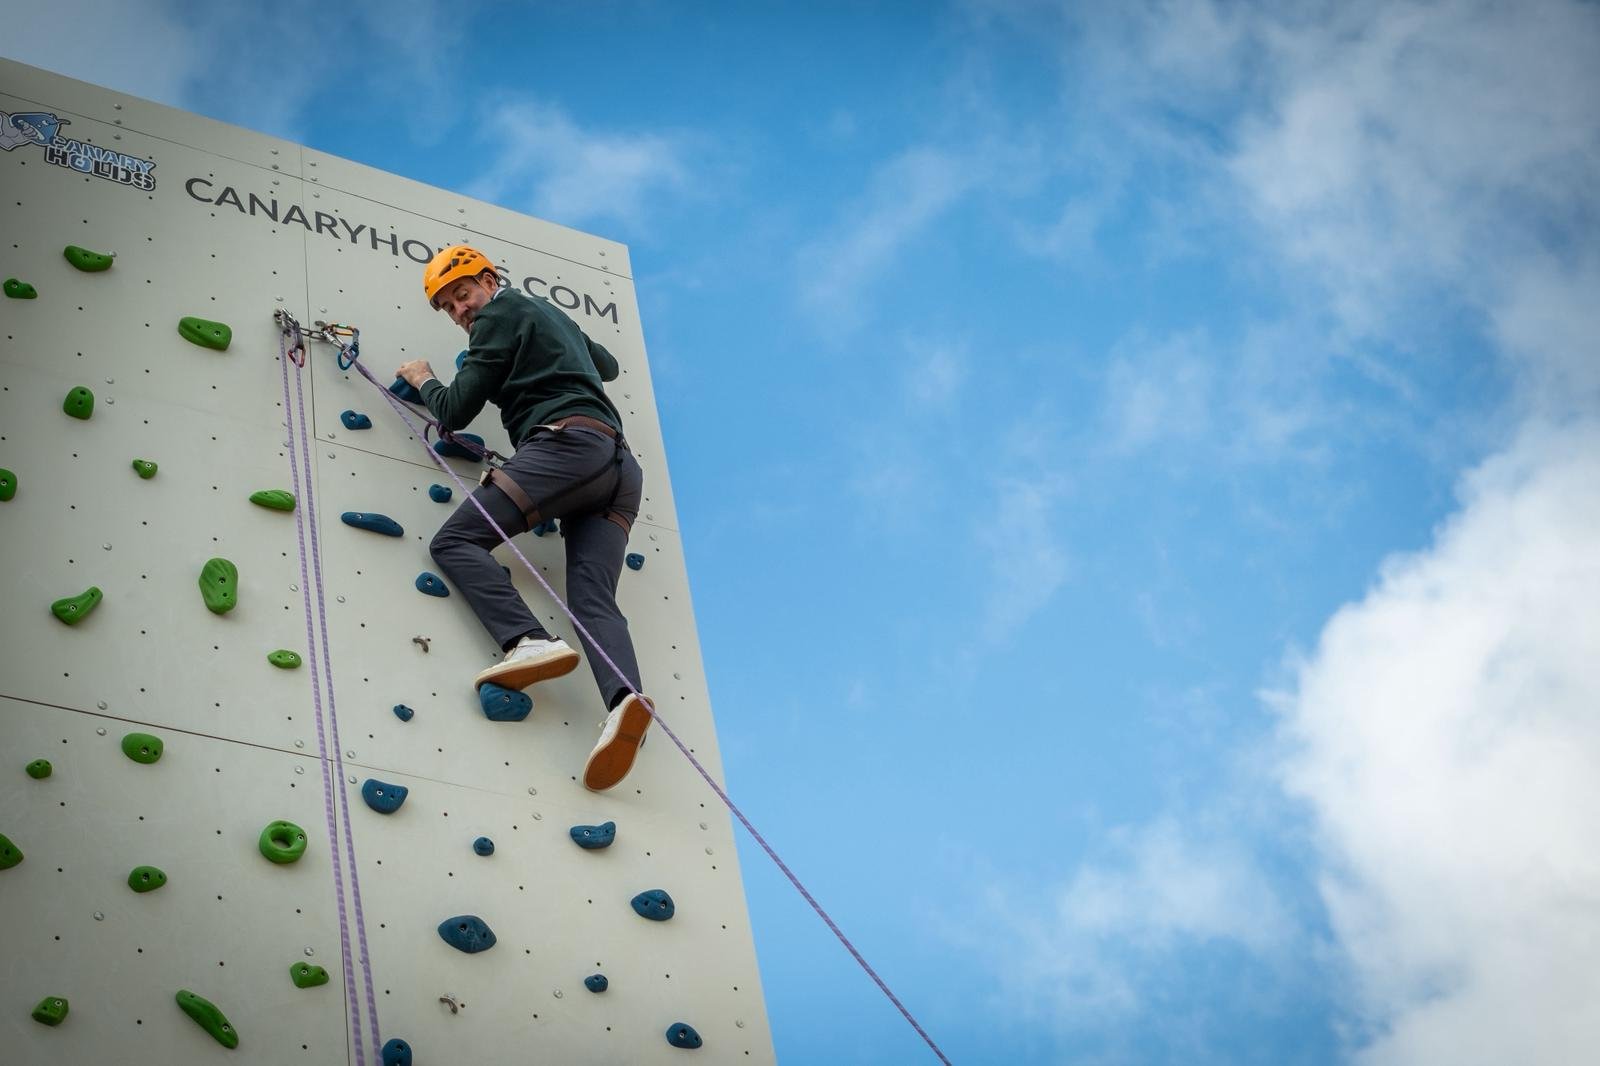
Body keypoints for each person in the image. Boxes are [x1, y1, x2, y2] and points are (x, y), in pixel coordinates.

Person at [396, 244, 653, 792]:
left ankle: (528, 639)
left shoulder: (498, 315)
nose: (461, 311)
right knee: (592, 597)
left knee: (455, 541)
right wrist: (558, 343)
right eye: (448, 307)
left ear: (489, 281)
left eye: (463, 293)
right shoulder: (544, 313)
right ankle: (624, 700)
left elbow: (453, 410)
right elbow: (606, 366)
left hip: (567, 448)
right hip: (619, 471)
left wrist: (423, 378)